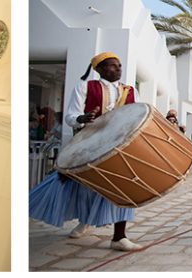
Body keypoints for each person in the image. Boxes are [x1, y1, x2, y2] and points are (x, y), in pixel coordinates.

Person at [28, 52, 142, 251]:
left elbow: (138, 115)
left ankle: (119, 236)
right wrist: (82, 118)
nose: (118, 69)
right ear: (99, 69)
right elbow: (71, 115)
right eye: (112, 66)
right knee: (86, 186)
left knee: (122, 187)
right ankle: (85, 221)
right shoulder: (85, 87)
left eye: (119, 66)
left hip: (120, 147)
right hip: (90, 144)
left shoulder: (130, 91)